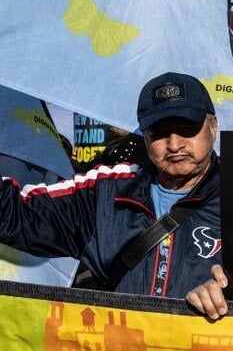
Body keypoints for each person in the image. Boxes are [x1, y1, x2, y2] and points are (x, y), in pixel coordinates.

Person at [0, 72, 221, 299]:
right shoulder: (105, 192)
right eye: (160, 133)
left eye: (187, 129)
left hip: (212, 334)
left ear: (213, 126)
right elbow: (15, 215)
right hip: (120, 333)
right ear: (144, 136)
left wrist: (232, 294)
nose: (174, 144)